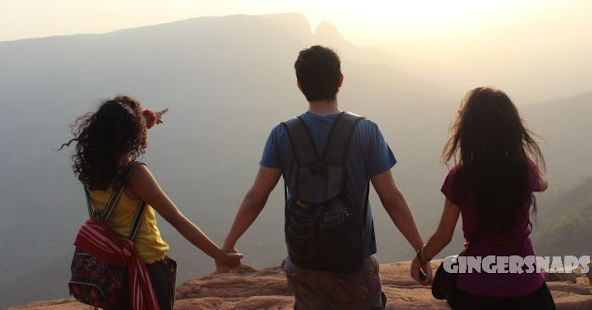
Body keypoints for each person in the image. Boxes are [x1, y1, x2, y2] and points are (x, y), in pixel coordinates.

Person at [221, 45, 425, 309]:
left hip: (304, 263)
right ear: (340, 80)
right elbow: (392, 198)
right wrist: (422, 251)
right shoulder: (366, 131)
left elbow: (255, 198)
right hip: (354, 262)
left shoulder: (281, 134)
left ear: (299, 85)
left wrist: (228, 245)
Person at [60, 95, 242, 309]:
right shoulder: (134, 174)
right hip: (146, 267)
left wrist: (150, 118)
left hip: (109, 269)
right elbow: (177, 220)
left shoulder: (91, 167)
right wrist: (221, 256)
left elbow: (117, 132)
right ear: (131, 134)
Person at [410, 87, 556, 309]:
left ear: (468, 131)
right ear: (512, 129)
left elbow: (443, 235)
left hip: (475, 290)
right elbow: (543, 184)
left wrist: (420, 259)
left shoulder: (459, 177)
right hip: (526, 286)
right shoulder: (524, 169)